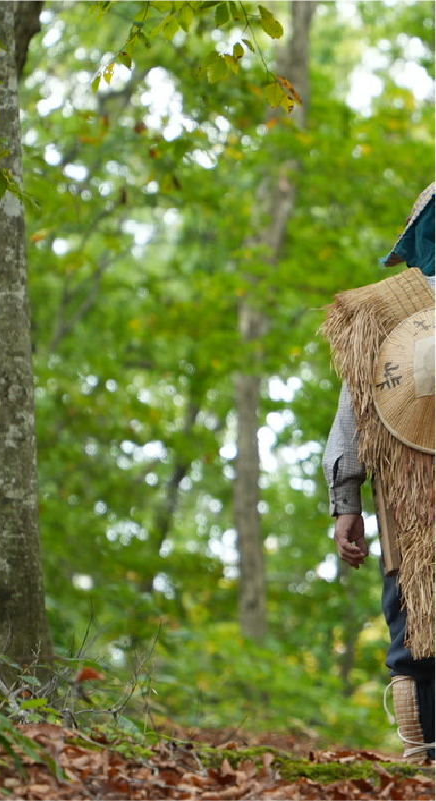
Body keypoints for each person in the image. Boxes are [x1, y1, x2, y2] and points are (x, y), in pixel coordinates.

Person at [323, 180, 436, 763]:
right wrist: (346, 501)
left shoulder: (378, 311)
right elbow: (355, 413)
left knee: (415, 633)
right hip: (407, 503)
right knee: (414, 631)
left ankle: (425, 763)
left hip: (404, 507)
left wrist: (346, 505)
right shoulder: (380, 312)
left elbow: (351, 416)